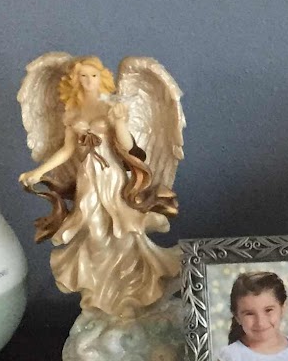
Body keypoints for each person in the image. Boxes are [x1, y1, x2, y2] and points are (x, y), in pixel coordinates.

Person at [18, 56, 179, 318]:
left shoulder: (110, 106)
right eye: (83, 76)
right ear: (75, 80)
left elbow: (129, 148)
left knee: (121, 232)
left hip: (112, 177)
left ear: (101, 77)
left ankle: (130, 294)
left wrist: (120, 123)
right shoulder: (72, 112)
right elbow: (67, 150)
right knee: (93, 233)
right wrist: (39, 171)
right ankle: (103, 295)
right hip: (87, 179)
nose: (88, 81)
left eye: (93, 75)